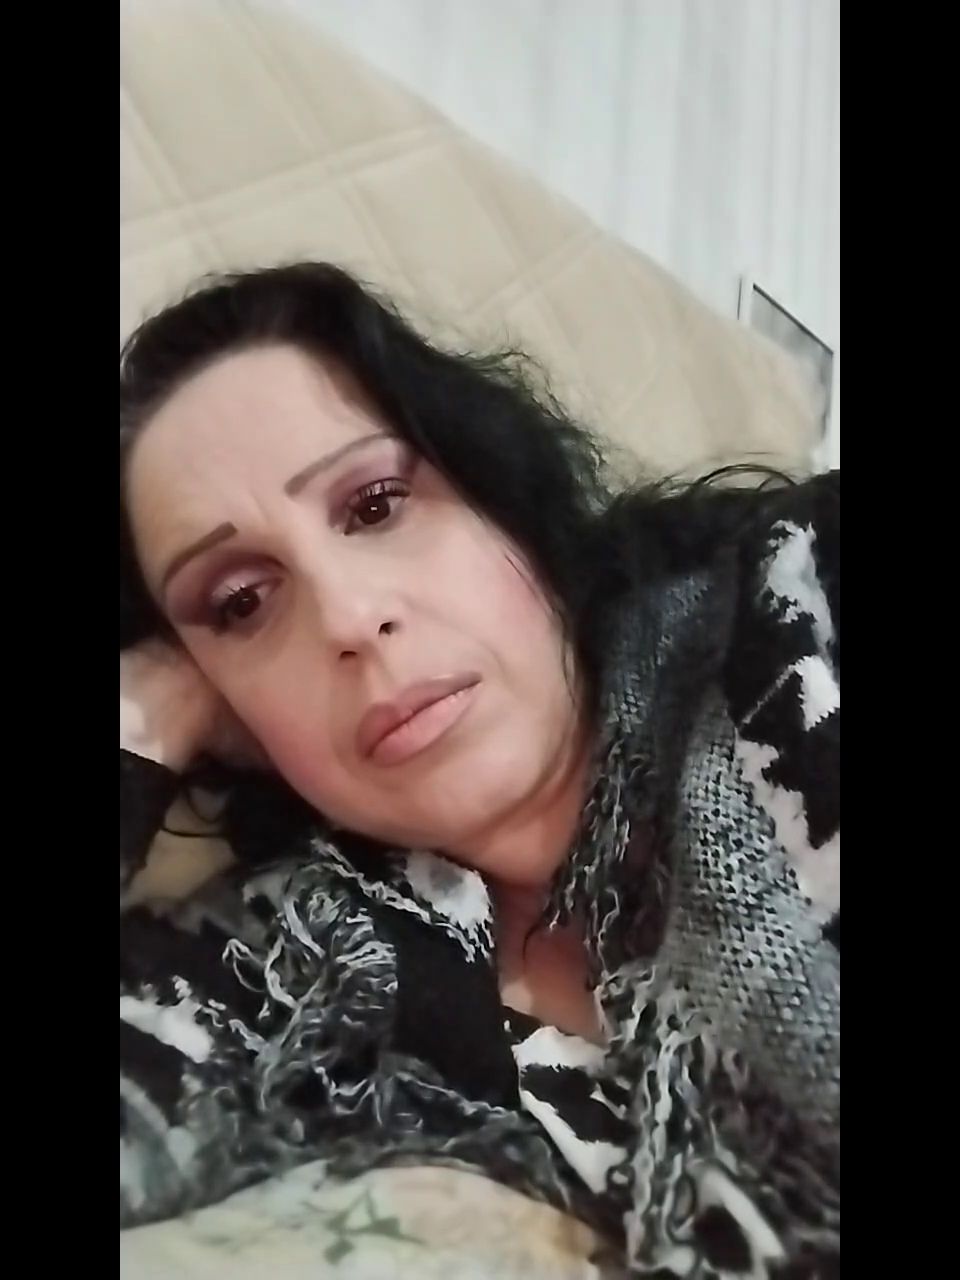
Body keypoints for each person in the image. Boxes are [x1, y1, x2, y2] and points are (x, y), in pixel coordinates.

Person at [120, 263, 840, 1276]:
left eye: (376, 504)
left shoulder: (802, 609)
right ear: (228, 716)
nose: (349, 616)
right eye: (240, 602)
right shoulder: (289, 977)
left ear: (500, 492)